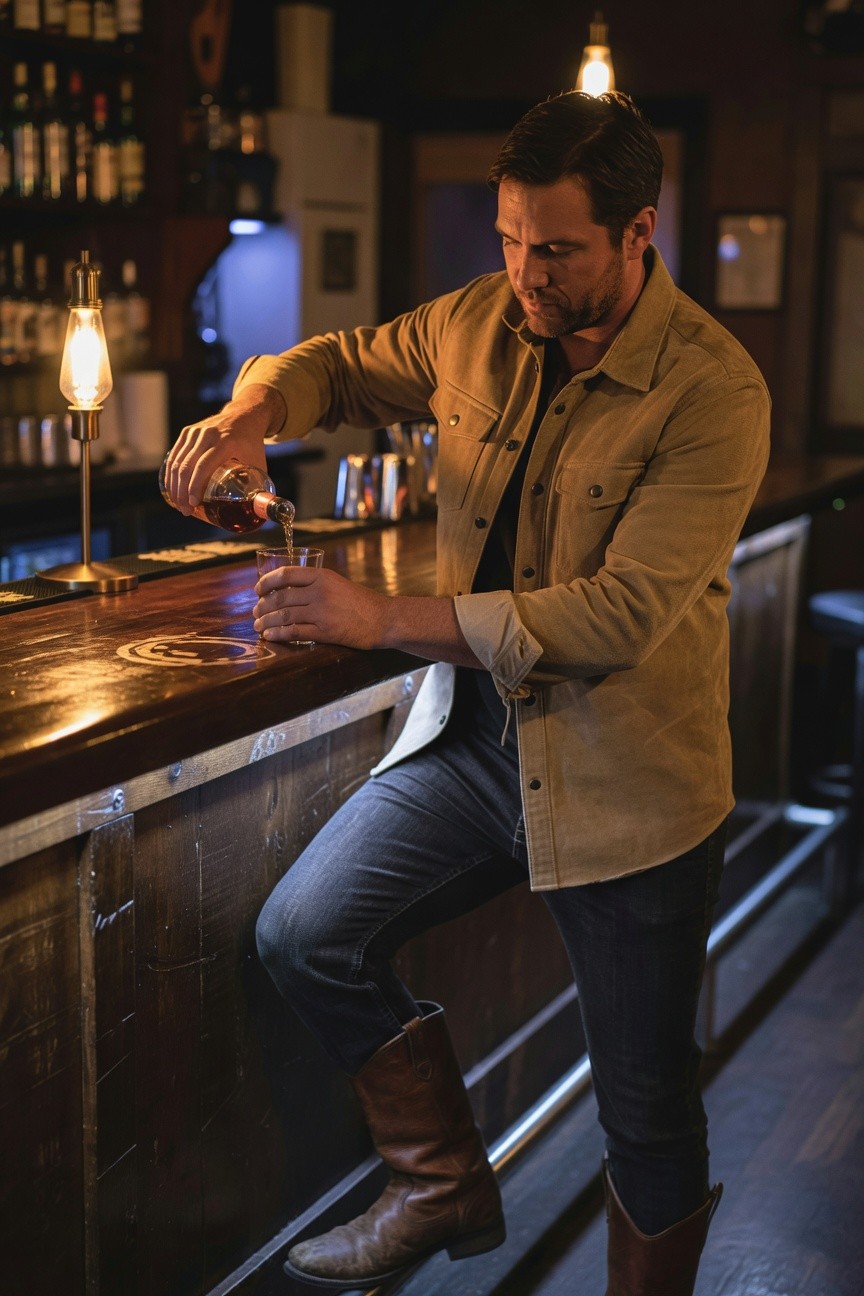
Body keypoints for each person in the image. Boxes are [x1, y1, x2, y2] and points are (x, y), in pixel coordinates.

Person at [164, 90, 771, 1295]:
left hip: (630, 784)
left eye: (556, 251)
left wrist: (383, 620)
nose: (524, 277)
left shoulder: (713, 391)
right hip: (481, 743)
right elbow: (335, 366)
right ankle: (442, 1180)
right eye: (507, 241)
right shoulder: (480, 321)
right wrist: (249, 414)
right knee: (305, 933)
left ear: (636, 233)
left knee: (646, 1113)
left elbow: (616, 617)